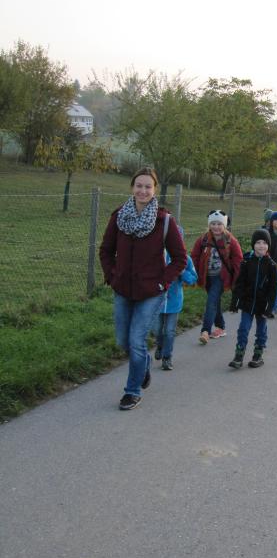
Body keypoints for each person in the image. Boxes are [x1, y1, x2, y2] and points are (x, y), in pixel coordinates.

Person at [99, 167, 187, 411]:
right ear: (132, 187)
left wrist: (162, 282)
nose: (143, 190)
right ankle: (144, 364)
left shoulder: (164, 221)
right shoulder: (119, 217)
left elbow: (180, 258)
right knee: (123, 340)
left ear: (154, 190)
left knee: (136, 340)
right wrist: (112, 276)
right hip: (123, 288)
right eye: (139, 185)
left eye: (148, 186)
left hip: (151, 292)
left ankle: (132, 391)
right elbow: (105, 251)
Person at [191, 210, 243, 345]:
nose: (216, 227)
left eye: (219, 224)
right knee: (215, 302)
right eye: (213, 224)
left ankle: (205, 331)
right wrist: (193, 273)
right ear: (209, 224)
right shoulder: (203, 239)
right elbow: (194, 256)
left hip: (221, 277)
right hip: (206, 276)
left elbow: (238, 260)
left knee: (211, 301)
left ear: (224, 225)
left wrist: (237, 280)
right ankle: (221, 327)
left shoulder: (231, 240)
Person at [228, 229, 277, 369]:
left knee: (261, 331)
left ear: (268, 245)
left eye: (264, 243)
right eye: (258, 242)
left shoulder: (272, 265)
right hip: (247, 303)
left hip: (263, 305)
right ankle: (239, 355)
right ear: (253, 245)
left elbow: (273, 289)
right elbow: (239, 284)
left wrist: (269, 308)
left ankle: (258, 354)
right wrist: (235, 303)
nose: (261, 246)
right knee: (243, 329)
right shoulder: (246, 262)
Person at [154, 232, 197, 370]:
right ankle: (160, 346)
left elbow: (193, 279)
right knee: (157, 330)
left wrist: (182, 272)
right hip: (156, 301)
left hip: (174, 302)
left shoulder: (185, 259)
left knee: (169, 331)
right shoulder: (155, 256)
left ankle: (167, 358)